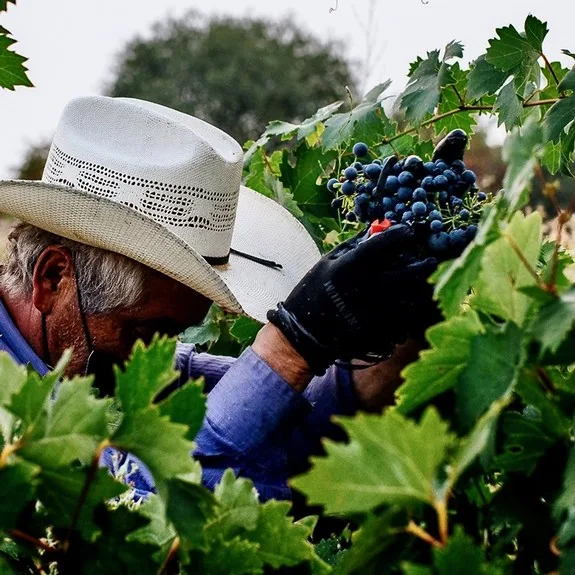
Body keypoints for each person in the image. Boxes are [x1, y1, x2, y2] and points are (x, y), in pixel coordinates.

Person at [0, 96, 436, 501]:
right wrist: (291, 345)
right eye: (146, 329)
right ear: (53, 279)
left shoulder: (126, 360)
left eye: (175, 333)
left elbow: (294, 421)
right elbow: (137, 514)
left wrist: (401, 325)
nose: (159, 355)